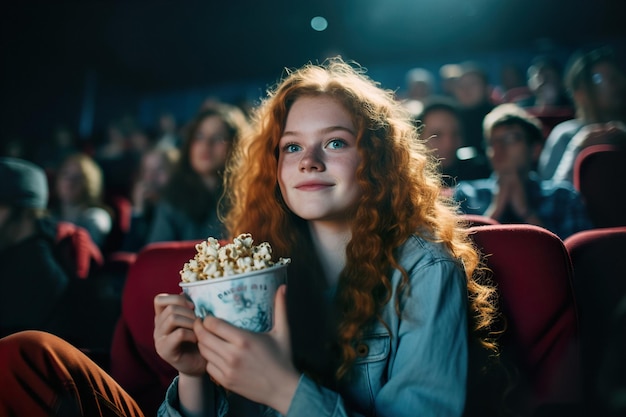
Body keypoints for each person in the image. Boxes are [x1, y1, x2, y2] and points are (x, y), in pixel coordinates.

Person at [0, 58, 499, 417]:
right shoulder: (253, 266)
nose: (309, 160)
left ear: (379, 159)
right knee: (28, 354)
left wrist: (283, 389)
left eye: (335, 142)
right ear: (275, 169)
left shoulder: (426, 271)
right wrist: (194, 376)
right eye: (291, 147)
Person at [453, 103, 594, 239]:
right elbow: (459, 255)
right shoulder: (467, 193)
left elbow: (572, 258)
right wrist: (496, 210)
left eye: (510, 139)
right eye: (492, 142)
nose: (498, 148)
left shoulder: (562, 196)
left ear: (534, 150)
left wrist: (525, 212)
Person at [146, 103, 250, 243]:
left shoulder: (249, 195)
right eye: (199, 136)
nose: (206, 145)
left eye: (218, 138)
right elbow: (158, 256)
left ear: (235, 145)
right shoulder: (172, 198)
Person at [538, 47, 626, 180]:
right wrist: (577, 148)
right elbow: (552, 194)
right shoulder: (566, 136)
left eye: (616, 76)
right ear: (580, 94)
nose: (615, 84)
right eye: (599, 79)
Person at [413, 97, 491, 189]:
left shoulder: (479, 175)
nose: (448, 144)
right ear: (418, 138)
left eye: (455, 134)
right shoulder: (405, 182)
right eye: (437, 135)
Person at [121, 146, 180, 252]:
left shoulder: (181, 209)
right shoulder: (146, 208)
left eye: (160, 169)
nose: (151, 177)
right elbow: (130, 253)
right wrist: (138, 211)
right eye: (146, 170)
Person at [49, 152, 113, 249]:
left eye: (78, 177)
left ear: (90, 183)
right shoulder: (50, 216)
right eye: (65, 174)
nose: (69, 182)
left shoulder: (96, 218)